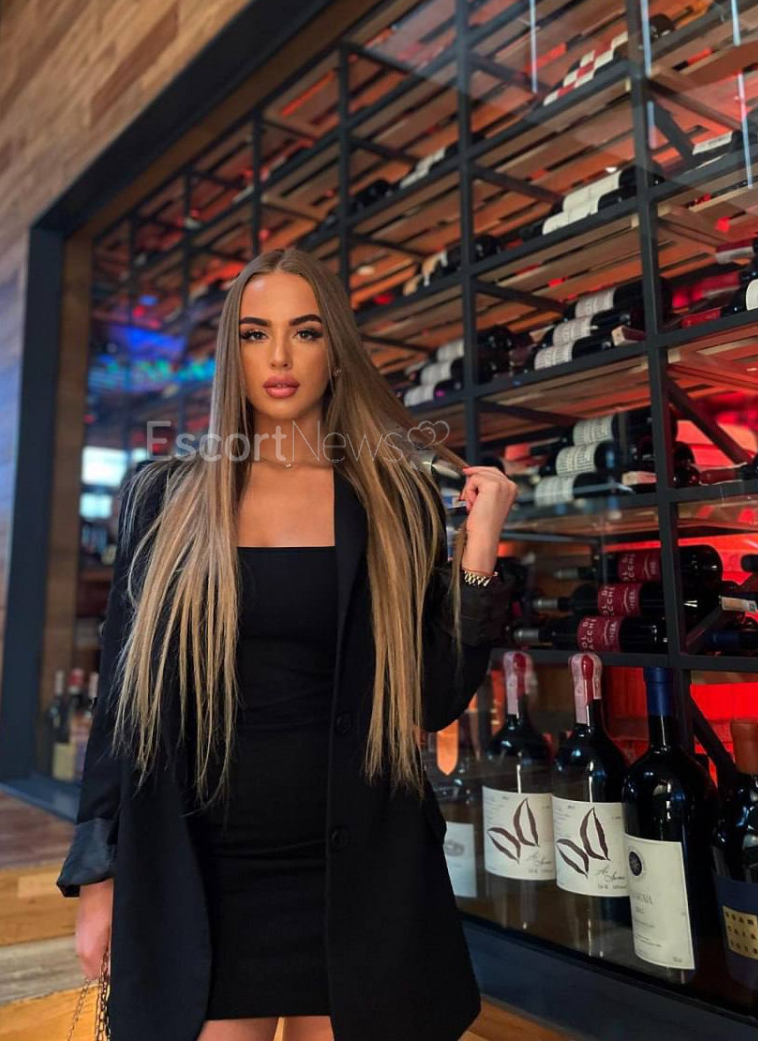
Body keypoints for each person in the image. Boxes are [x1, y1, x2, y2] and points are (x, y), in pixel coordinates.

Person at [56, 248, 516, 1041]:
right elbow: (122, 707)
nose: (278, 358)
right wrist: (99, 880)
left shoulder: (391, 496)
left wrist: (479, 551)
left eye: (304, 333)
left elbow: (434, 696)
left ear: (334, 350)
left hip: (356, 872)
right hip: (203, 874)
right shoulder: (164, 498)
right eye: (254, 334)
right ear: (230, 352)